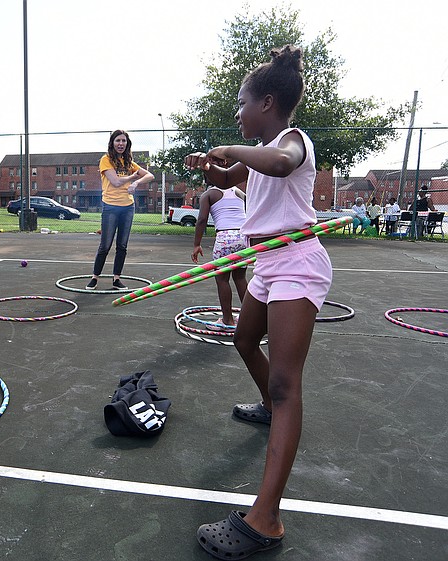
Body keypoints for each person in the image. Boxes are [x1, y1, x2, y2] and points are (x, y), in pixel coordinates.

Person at [185, 45, 332, 559]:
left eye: (242, 104)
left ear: (267, 102)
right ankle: (270, 408)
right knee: (245, 340)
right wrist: (209, 167)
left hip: (296, 261)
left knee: (288, 384)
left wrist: (233, 148)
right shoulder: (259, 155)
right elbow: (228, 181)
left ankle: (265, 519)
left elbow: (279, 161)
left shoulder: (292, 142)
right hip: (268, 263)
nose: (238, 113)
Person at [86, 130, 154, 290]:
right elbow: (115, 182)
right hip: (110, 206)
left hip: (128, 208)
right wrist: (132, 177)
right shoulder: (106, 159)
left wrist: (137, 183)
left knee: (122, 246)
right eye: (118, 141)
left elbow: (149, 175)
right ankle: (95, 277)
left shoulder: (128, 161)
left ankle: (116, 279)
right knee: (105, 245)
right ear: (112, 143)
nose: (121, 144)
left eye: (123, 141)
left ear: (127, 143)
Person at [191, 185, 248, 328]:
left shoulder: (208, 194)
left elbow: (202, 220)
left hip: (224, 237)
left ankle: (227, 320)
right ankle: (250, 319)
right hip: (243, 236)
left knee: (222, 279)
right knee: (240, 278)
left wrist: (197, 244)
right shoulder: (239, 192)